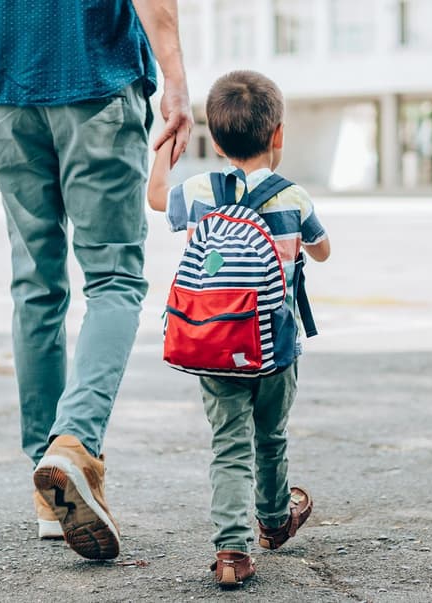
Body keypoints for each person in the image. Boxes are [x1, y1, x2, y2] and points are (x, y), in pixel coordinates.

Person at [0, 0, 192, 561]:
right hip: (94, 78)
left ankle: (50, 496)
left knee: (35, 286)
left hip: (4, 89)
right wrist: (175, 80)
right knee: (115, 279)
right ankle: (72, 443)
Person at [147, 70, 330, 587]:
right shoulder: (293, 198)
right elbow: (323, 248)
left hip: (215, 343)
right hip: (277, 349)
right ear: (278, 135)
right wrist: (307, 247)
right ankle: (273, 522)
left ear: (218, 140)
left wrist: (167, 141)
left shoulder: (201, 191)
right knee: (270, 436)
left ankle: (232, 552)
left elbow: (156, 196)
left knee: (229, 444)